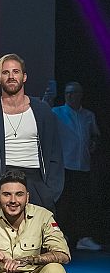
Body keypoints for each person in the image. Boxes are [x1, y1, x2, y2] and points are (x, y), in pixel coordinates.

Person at [0, 54, 64, 216]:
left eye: (16, 72)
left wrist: (50, 193)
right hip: (0, 184)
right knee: (0, 240)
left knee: (36, 239)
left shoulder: (42, 111)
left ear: (24, 76)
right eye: (5, 73)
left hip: (36, 185)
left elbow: (55, 154)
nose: (11, 76)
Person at [52, 82, 102, 250]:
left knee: (82, 203)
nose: (70, 96)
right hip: (65, 165)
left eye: (74, 93)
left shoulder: (88, 115)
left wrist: (94, 142)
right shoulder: (57, 112)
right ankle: (61, 237)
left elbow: (95, 134)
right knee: (64, 203)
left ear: (80, 95)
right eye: (67, 93)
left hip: (83, 165)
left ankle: (83, 238)